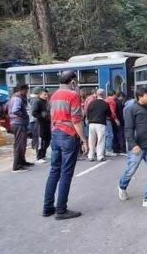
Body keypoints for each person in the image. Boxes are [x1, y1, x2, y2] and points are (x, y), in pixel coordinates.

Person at [43, 71, 87, 220]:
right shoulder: (73, 95)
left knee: (54, 170)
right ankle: (61, 210)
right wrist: (83, 140)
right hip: (68, 135)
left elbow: (51, 117)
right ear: (73, 82)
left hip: (55, 134)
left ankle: (48, 207)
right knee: (66, 173)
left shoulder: (53, 95)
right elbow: (76, 120)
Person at [118, 86, 147, 209]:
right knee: (131, 171)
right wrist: (133, 145)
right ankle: (122, 185)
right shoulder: (131, 109)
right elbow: (128, 129)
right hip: (137, 147)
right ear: (140, 97)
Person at [8, 84, 32, 172]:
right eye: (26, 90)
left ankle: (22, 162)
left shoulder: (14, 98)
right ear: (22, 90)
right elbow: (15, 110)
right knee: (19, 144)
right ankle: (17, 166)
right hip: (18, 123)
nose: (27, 92)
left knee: (22, 143)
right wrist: (24, 116)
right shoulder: (17, 98)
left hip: (18, 123)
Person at [86, 89, 112, 162]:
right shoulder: (105, 104)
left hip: (91, 123)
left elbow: (87, 112)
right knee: (100, 140)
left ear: (97, 94)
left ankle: (90, 156)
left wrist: (89, 119)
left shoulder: (91, 103)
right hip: (101, 123)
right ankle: (99, 156)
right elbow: (109, 114)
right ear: (103, 95)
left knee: (91, 140)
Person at [31, 88, 51, 163]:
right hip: (40, 124)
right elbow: (34, 113)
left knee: (47, 139)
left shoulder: (46, 102)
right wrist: (42, 117)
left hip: (47, 123)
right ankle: (39, 157)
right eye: (44, 94)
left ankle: (43, 155)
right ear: (40, 94)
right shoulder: (37, 102)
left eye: (47, 94)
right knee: (40, 140)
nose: (46, 96)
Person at [105, 91, 121, 156]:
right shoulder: (112, 101)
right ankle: (108, 150)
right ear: (114, 95)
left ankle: (105, 149)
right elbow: (112, 112)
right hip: (108, 119)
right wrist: (116, 120)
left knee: (105, 135)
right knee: (109, 135)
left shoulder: (105, 100)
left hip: (102, 119)